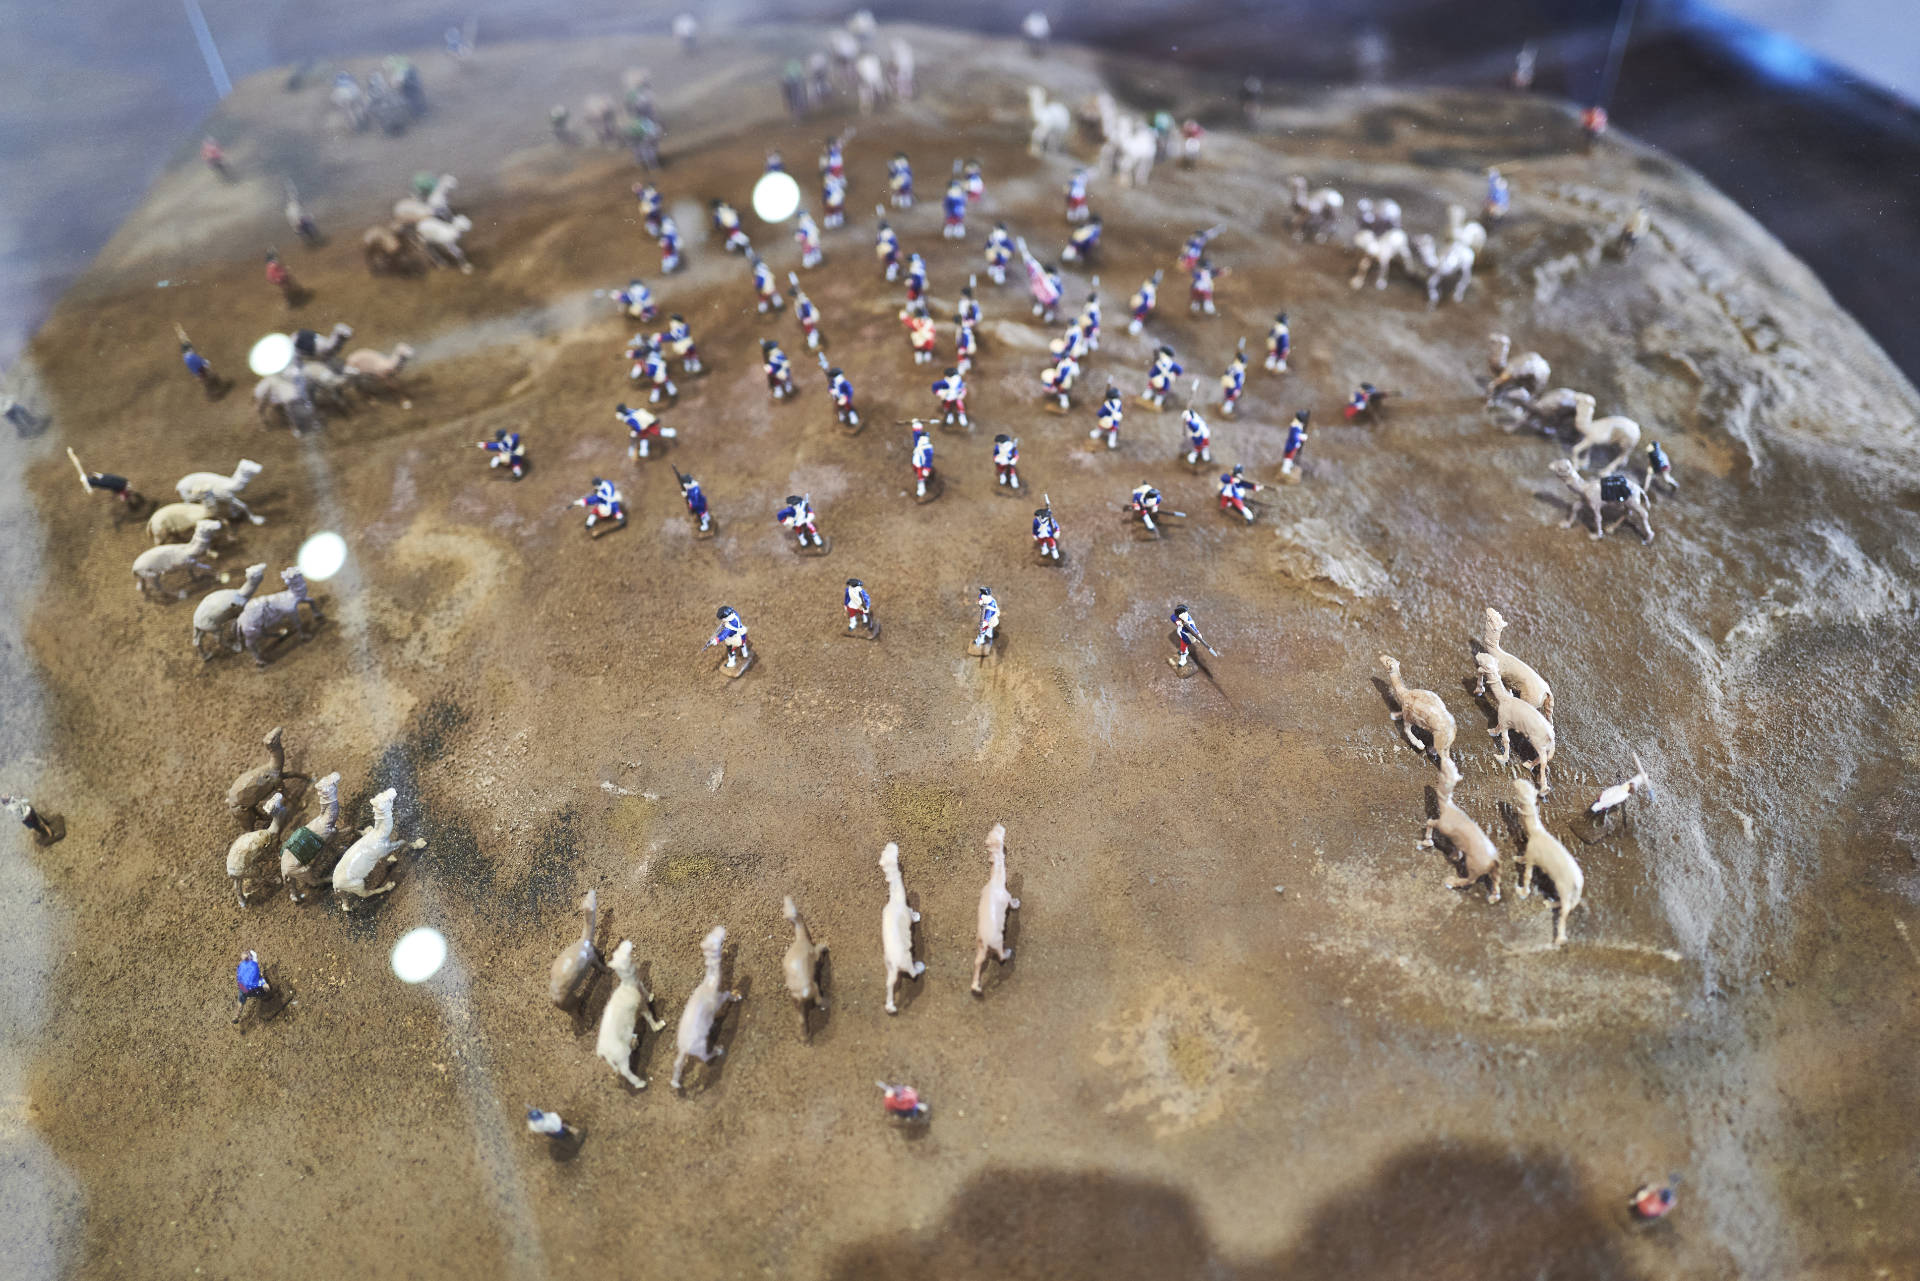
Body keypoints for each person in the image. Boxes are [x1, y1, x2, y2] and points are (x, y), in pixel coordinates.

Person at [232, 950, 273, 1022]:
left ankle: (236, 1016)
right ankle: (265, 997)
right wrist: (264, 983)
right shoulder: (254, 968)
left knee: (240, 1001)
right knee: (265, 988)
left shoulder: (241, 965)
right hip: (250, 988)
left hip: (241, 986)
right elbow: (254, 982)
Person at [1127, 270, 1162, 335]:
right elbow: (1148, 301)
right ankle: (1134, 327)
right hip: (1142, 305)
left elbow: (1148, 301)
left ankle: (1135, 327)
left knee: (1138, 317)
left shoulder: (1148, 290)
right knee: (1138, 316)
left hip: (1142, 306)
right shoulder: (1147, 290)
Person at [1092, 384, 1123, 449]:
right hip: (1114, 421)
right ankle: (1111, 443)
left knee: (1101, 428)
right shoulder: (1119, 403)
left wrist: (1099, 414)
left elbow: (1101, 413)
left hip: (1106, 420)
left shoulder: (1107, 405)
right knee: (1113, 432)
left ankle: (1095, 434)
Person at [1219, 347, 1247, 416]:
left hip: (1227, 386)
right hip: (1233, 387)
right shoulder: (1240, 371)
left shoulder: (1231, 367)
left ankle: (1225, 407)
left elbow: (1226, 373)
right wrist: (1237, 389)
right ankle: (1226, 410)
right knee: (1230, 400)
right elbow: (1238, 382)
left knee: (1227, 397)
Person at [1280, 410, 1310, 476]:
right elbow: (1295, 436)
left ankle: (1288, 465)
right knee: (1288, 457)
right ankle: (1285, 469)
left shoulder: (1297, 425)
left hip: (1292, 444)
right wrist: (1297, 442)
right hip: (1292, 445)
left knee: (1291, 456)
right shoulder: (1296, 427)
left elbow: (1297, 435)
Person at [910, 424, 935, 497]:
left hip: (921, 465)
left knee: (920, 477)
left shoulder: (928, 449)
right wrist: (916, 427)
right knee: (916, 471)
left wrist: (926, 469)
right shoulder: (919, 443)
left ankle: (922, 488)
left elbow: (928, 460)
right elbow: (916, 435)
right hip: (916, 462)